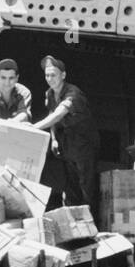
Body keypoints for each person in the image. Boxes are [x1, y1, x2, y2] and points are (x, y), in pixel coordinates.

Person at [33, 56, 99, 210]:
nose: (50, 79)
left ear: (63, 75)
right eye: (47, 75)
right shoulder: (49, 94)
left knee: (87, 185)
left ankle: (93, 222)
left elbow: (58, 115)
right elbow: (52, 115)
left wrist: (34, 128)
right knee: (70, 186)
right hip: (67, 146)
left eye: (53, 75)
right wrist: (54, 139)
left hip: (84, 145)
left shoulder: (73, 93)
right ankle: (73, 223)